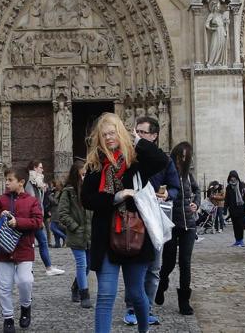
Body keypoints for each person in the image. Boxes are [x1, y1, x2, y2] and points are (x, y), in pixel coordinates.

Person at [81, 113, 168, 333]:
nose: (109, 138)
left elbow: (161, 160)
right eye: (104, 135)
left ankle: (143, 329)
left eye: (113, 133)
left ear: (120, 133)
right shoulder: (94, 165)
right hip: (106, 237)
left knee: (136, 293)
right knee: (105, 296)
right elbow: (87, 200)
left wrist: (136, 139)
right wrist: (115, 197)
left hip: (135, 233)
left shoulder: (135, 162)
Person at [124, 116, 180, 325]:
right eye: (135, 131)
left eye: (143, 132)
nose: (137, 135)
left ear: (154, 136)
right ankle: (132, 307)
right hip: (134, 218)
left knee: (154, 268)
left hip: (156, 218)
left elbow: (174, 187)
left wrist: (167, 195)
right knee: (134, 265)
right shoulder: (129, 157)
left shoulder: (163, 160)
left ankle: (146, 308)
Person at [0, 167, 43, 333]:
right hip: (4, 248)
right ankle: (8, 318)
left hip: (24, 248)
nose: (7, 183)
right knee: (3, 285)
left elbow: (37, 222)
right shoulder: (1, 199)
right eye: (6, 180)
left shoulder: (31, 201)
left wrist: (18, 222)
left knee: (25, 281)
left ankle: (26, 306)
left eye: (10, 180)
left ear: (21, 182)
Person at [155, 142, 200, 316]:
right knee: (168, 262)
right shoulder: (167, 172)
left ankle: (184, 301)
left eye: (186, 156)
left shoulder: (189, 175)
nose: (182, 159)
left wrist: (196, 202)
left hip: (189, 225)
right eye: (180, 155)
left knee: (185, 262)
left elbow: (197, 190)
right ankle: (162, 284)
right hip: (171, 224)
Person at [58, 160, 93, 309]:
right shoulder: (69, 191)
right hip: (77, 234)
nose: (85, 177)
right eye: (83, 174)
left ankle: (75, 287)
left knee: (88, 266)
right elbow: (63, 213)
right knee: (82, 263)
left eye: (86, 174)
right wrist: (75, 227)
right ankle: (85, 294)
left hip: (90, 235)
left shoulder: (91, 190)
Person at [25, 160, 64, 276]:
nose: (42, 170)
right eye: (40, 167)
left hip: (36, 217)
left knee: (36, 242)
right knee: (35, 242)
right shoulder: (30, 183)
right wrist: (38, 218)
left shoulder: (37, 182)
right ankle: (48, 267)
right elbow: (32, 201)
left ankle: (47, 267)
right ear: (34, 168)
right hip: (32, 218)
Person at [225, 170, 245, 247]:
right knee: (235, 225)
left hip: (241, 208)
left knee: (240, 225)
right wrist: (225, 208)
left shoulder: (241, 185)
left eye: (234, 177)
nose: (233, 179)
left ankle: (241, 240)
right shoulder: (229, 187)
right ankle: (237, 240)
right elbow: (227, 198)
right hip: (233, 209)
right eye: (231, 177)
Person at [48, 179, 66, 248]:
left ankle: (64, 237)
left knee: (52, 227)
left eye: (52, 184)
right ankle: (57, 243)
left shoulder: (58, 192)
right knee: (55, 228)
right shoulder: (55, 192)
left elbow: (55, 202)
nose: (51, 186)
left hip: (56, 212)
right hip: (54, 212)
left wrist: (50, 197)